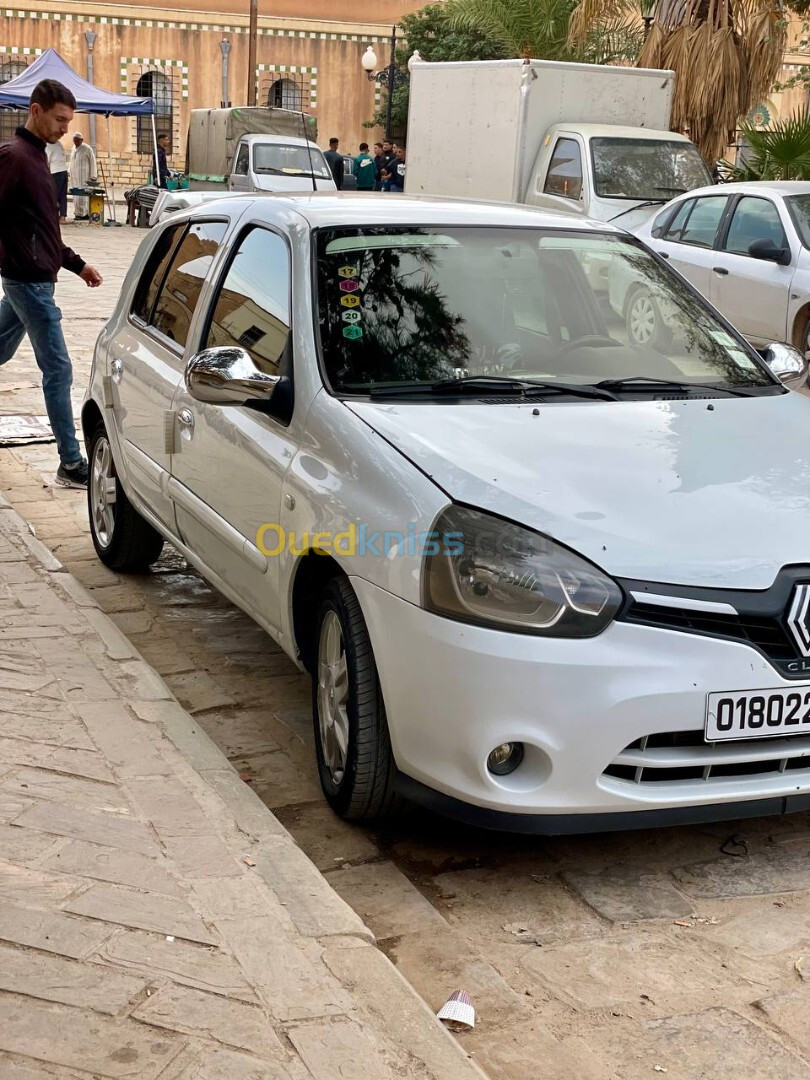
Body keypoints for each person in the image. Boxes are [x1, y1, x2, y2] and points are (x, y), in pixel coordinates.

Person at [0, 78, 103, 488]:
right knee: (58, 370)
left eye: (69, 121)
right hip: (28, 284)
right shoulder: (13, 156)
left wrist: (76, 265)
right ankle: (71, 463)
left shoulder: (39, 155)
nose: (66, 128)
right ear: (36, 110)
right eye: (60, 119)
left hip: (35, 278)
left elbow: (43, 229)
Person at [68, 131, 96, 221]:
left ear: (81, 140)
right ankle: (77, 213)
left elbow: (93, 162)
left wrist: (93, 176)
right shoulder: (73, 149)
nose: (75, 142)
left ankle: (85, 214)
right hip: (75, 176)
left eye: (77, 140)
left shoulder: (87, 148)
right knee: (76, 196)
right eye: (74, 140)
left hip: (84, 176)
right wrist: (69, 171)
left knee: (83, 195)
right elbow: (71, 161)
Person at [45, 136, 68, 223]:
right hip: (63, 171)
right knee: (62, 195)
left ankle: (53, 216)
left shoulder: (49, 145)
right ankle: (62, 217)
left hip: (56, 172)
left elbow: (47, 160)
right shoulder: (58, 144)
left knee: (53, 194)